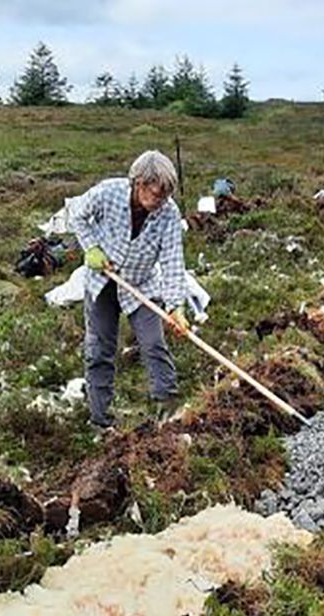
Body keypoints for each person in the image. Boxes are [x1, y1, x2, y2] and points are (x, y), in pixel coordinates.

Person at [71, 150, 189, 430]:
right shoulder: (108, 192)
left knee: (153, 344)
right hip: (102, 281)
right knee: (100, 349)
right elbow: (77, 215)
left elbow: (172, 259)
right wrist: (92, 247)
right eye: (155, 192)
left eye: (165, 194)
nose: (160, 199)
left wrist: (176, 306)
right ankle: (101, 420)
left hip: (141, 284)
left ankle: (168, 410)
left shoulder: (169, 213)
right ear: (139, 182)